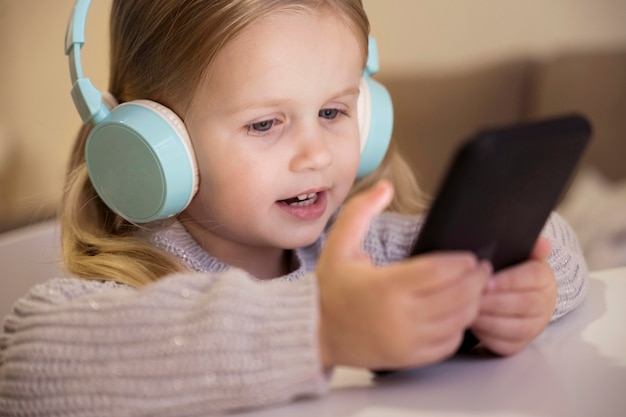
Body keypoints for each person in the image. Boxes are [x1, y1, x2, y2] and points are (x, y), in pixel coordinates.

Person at [0, 0, 588, 415]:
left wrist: (523, 285)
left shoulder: (357, 248)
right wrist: (324, 327)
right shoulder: (137, 287)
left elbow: (549, 234)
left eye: (334, 112)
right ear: (156, 146)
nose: (315, 154)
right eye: (265, 123)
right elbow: (28, 369)